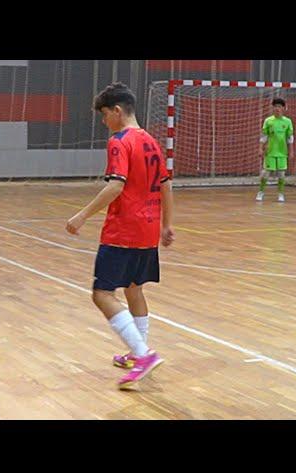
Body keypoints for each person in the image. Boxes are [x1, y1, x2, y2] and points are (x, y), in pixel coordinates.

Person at [66, 82, 175, 389]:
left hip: (123, 230)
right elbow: (166, 185)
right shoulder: (152, 141)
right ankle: (137, 350)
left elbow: (116, 184)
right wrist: (167, 224)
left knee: (101, 294)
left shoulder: (119, 140)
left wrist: (82, 215)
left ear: (116, 111)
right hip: (148, 229)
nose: (104, 122)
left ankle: (143, 354)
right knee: (133, 289)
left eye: (104, 115)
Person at [256, 97, 294, 203]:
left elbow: (290, 138)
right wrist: (260, 148)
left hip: (282, 152)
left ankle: (281, 194)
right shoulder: (268, 121)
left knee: (281, 174)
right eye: (275, 106)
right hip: (270, 151)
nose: (277, 109)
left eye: (279, 107)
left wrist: (291, 151)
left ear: (283, 108)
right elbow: (264, 136)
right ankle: (261, 192)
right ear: (273, 108)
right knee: (265, 173)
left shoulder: (287, 122)